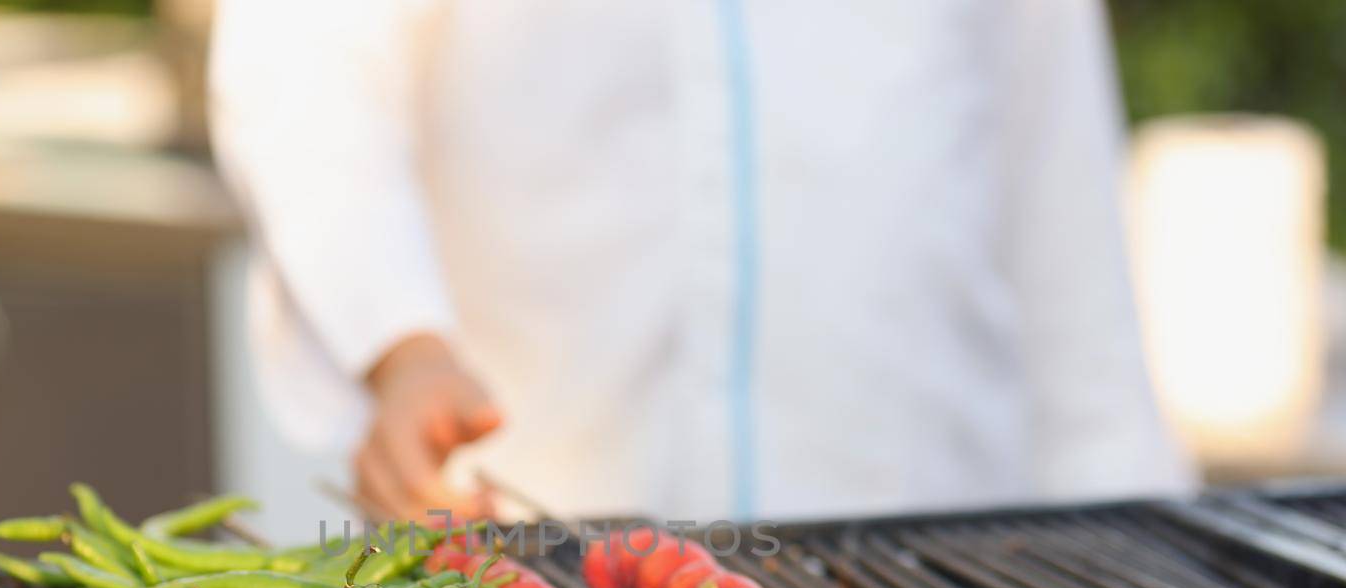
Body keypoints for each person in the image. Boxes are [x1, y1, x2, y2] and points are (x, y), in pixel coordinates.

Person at [210, 0, 1190, 524]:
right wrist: (399, 345)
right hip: (535, 561)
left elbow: (1061, 205)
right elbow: (305, 70)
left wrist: (1130, 538)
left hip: (937, 559)